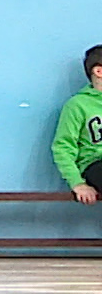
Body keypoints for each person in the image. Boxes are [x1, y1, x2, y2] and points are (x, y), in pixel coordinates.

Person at [53, 45, 102, 205]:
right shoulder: (78, 105)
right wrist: (78, 183)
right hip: (96, 164)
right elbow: (63, 147)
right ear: (99, 72)